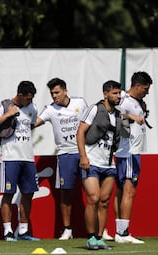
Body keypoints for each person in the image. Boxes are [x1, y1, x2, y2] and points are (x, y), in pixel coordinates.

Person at [35, 78, 89, 240]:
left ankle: (100, 229)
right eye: (52, 93)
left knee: (93, 193)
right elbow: (35, 122)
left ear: (65, 91)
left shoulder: (80, 103)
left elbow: (92, 122)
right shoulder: (50, 109)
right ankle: (67, 230)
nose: (54, 96)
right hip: (65, 155)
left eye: (57, 92)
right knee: (66, 193)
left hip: (84, 153)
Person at [77, 80, 124, 250]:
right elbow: (80, 132)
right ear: (105, 94)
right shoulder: (94, 109)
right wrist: (83, 157)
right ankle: (90, 238)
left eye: (119, 93)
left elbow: (123, 137)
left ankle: (99, 237)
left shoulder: (120, 115)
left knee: (104, 202)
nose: (118, 96)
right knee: (93, 198)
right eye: (115, 93)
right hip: (91, 161)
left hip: (109, 163)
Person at [0, 81, 40, 242]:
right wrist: (7, 115)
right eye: (27, 98)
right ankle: (8, 232)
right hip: (9, 157)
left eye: (32, 98)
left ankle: (23, 230)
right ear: (19, 95)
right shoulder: (5, 105)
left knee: (28, 193)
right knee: (9, 193)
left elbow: (30, 127)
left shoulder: (33, 108)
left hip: (28, 158)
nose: (30, 101)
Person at [114, 71, 153, 244]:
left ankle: (119, 231)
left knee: (122, 191)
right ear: (137, 86)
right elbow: (111, 113)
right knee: (129, 191)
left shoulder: (136, 101)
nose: (147, 92)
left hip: (131, 152)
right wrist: (131, 116)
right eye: (145, 88)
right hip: (128, 152)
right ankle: (123, 233)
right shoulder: (123, 99)